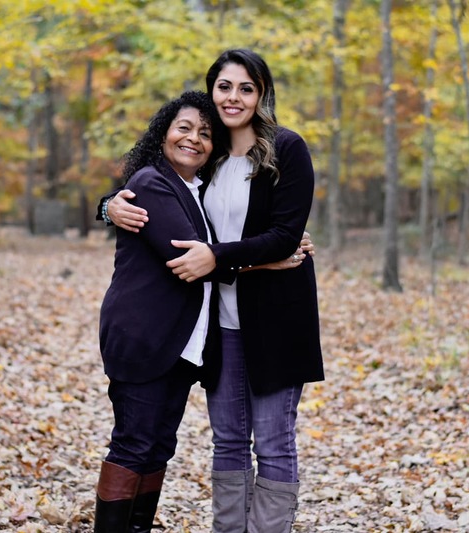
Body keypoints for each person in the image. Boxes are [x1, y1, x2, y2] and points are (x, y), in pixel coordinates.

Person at [102, 49, 324, 533]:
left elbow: (286, 236)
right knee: (226, 441)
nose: (234, 97)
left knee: (273, 441)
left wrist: (219, 257)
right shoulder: (208, 152)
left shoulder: (286, 149)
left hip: (276, 320)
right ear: (212, 90)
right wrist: (107, 206)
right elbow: (156, 195)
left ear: (262, 94)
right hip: (217, 323)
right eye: (224, 86)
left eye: (246, 88)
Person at [95, 90, 224, 533]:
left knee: (158, 447)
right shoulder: (152, 181)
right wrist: (270, 255)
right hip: (144, 336)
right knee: (134, 444)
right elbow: (188, 257)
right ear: (164, 132)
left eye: (206, 134)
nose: (194, 139)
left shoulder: (199, 190)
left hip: (180, 344)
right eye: (184, 128)